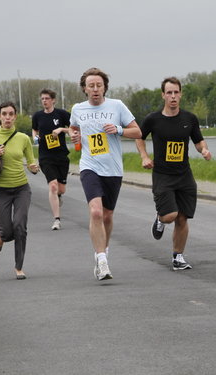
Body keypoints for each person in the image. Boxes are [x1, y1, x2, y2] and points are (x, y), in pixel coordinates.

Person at [69, 68, 141, 281]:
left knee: (107, 215)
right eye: (91, 86)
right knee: (96, 212)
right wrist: (75, 138)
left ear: (104, 87)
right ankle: (101, 259)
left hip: (113, 169)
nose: (95, 89)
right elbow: (74, 128)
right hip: (90, 166)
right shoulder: (78, 109)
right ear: (85, 89)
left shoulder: (116, 106)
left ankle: (104, 250)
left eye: (99, 85)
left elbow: (137, 131)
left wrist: (118, 130)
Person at [136, 77, 211, 271]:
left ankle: (178, 257)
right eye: (169, 93)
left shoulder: (189, 118)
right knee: (170, 215)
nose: (173, 96)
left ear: (181, 94)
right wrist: (144, 156)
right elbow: (139, 137)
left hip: (184, 175)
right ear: (163, 95)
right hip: (162, 174)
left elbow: (198, 141)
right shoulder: (153, 119)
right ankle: (160, 219)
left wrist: (203, 150)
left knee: (182, 218)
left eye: (176, 92)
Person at [0, 102, 39, 279]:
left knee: (20, 226)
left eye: (11, 114)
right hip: (0, 190)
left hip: (21, 189)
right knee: (8, 231)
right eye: (4, 114)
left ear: (15, 116)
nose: (7, 117)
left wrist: (33, 167)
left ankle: (18, 267)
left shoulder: (23, 138)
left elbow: (31, 162)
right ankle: (1, 237)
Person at [32, 89, 71, 230]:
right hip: (45, 156)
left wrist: (61, 129)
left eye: (47, 98)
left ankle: (59, 195)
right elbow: (34, 130)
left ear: (53, 100)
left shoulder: (62, 114)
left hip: (61, 156)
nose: (44, 101)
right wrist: (35, 137)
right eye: (42, 98)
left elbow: (75, 128)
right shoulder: (37, 116)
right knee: (53, 186)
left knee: (61, 189)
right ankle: (57, 220)